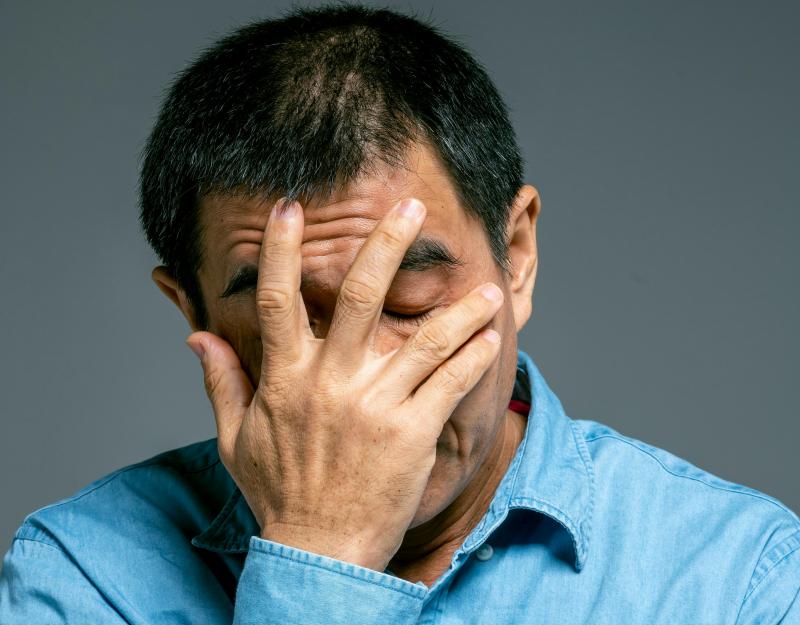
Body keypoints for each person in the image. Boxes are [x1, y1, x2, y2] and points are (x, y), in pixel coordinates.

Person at [1, 4, 798, 623]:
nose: (359, 380)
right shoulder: (83, 575)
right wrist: (321, 549)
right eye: (288, 314)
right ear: (194, 310)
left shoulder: (738, 576)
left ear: (517, 256)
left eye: (408, 298)